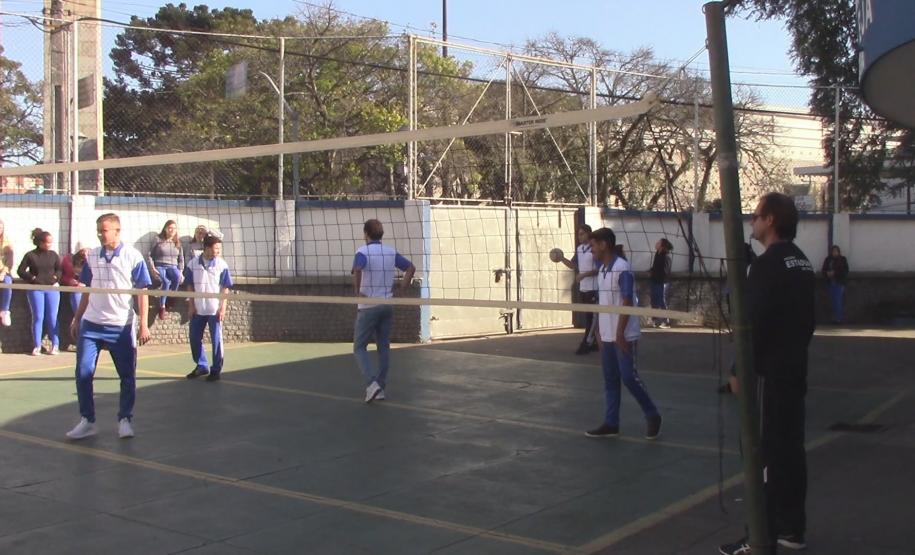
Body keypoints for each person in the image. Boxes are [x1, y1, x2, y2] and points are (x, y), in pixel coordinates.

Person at [719, 193, 815, 555]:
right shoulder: (801, 261)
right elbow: (805, 321)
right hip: (794, 369)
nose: (752, 222)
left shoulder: (768, 264)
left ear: (771, 220)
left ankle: (761, 536)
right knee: (791, 450)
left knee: (764, 454)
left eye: (757, 216)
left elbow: (753, 325)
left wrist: (737, 370)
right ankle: (792, 528)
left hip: (769, 374)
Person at [66, 213, 152, 440]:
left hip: (120, 326)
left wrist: (143, 324)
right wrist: (77, 318)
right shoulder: (93, 256)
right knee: (83, 372)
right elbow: (87, 290)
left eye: (104, 230)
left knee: (127, 375)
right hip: (92, 324)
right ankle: (87, 420)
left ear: (117, 231)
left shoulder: (133, 256)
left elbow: (143, 293)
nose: (100, 234)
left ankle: (125, 419)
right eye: (98, 230)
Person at [586, 227, 662, 440]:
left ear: (603, 245)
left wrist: (619, 333)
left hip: (624, 334)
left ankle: (652, 414)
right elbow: (602, 304)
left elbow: (628, 301)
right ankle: (611, 423)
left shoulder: (622, 269)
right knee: (610, 380)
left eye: (593, 245)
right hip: (608, 335)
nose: (590, 250)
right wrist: (600, 333)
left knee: (628, 377)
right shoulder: (602, 270)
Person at [351, 219, 415, 403]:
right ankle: (380, 387)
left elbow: (357, 268)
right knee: (383, 347)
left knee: (359, 347)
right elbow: (411, 268)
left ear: (366, 234)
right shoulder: (390, 251)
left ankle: (372, 384)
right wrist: (402, 288)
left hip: (369, 306)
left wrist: (357, 292)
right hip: (387, 305)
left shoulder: (362, 251)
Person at [184, 235, 233, 382]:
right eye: (215, 248)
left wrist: (222, 308)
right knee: (194, 338)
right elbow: (189, 286)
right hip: (198, 309)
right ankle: (202, 365)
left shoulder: (222, 265)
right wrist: (191, 306)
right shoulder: (192, 264)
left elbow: (225, 288)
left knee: (216, 340)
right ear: (206, 248)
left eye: (219, 249)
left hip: (214, 309)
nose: (217, 251)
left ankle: (216, 369)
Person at [17, 228, 61, 356]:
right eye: (47, 242)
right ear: (40, 242)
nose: (49, 245)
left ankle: (55, 345)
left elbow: (59, 270)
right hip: (36, 289)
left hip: (52, 289)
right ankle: (36, 346)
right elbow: (21, 270)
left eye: (51, 242)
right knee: (38, 317)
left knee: (52, 317)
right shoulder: (31, 255)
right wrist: (33, 278)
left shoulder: (53, 255)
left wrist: (55, 278)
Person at [559, 224, 599, 355]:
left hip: (594, 288)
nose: (579, 236)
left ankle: (586, 343)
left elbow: (600, 269)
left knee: (592, 318)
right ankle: (594, 342)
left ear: (589, 234)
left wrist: (584, 274)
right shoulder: (580, 249)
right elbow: (573, 265)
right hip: (584, 288)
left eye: (582, 234)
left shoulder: (594, 249)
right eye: (578, 234)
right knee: (589, 317)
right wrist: (561, 258)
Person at [149, 220, 185, 320]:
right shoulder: (158, 239)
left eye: (174, 228)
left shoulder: (177, 242)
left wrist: (181, 272)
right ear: (165, 228)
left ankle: (171, 296)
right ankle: (162, 307)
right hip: (160, 265)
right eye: (170, 228)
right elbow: (150, 255)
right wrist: (152, 268)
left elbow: (181, 259)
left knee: (177, 277)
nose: (172, 230)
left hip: (173, 266)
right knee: (166, 282)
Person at [649, 238, 673, 328]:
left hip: (662, 282)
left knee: (662, 301)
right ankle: (655, 321)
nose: (656, 243)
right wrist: (652, 271)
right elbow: (655, 267)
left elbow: (665, 272)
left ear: (662, 246)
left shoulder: (666, 257)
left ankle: (666, 321)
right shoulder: (657, 255)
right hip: (654, 281)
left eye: (658, 242)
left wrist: (655, 273)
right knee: (654, 301)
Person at [822, 245, 849, 324]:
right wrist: (827, 273)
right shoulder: (828, 260)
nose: (834, 253)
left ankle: (838, 318)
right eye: (833, 251)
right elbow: (824, 269)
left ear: (838, 252)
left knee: (838, 301)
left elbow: (845, 271)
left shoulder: (842, 259)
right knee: (832, 301)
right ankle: (833, 318)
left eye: (836, 251)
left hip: (839, 282)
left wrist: (835, 273)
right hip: (830, 282)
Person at [60, 244, 89, 314]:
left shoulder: (91, 259)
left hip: (87, 290)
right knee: (79, 312)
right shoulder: (68, 259)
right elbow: (62, 276)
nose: (83, 252)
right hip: (76, 289)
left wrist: (87, 257)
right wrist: (69, 281)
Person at [0, 219, 13, 327]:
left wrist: (3, 272)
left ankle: (4, 310)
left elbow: (10, 261)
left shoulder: (7, 243)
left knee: (7, 282)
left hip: (3, 272)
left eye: (1, 228)